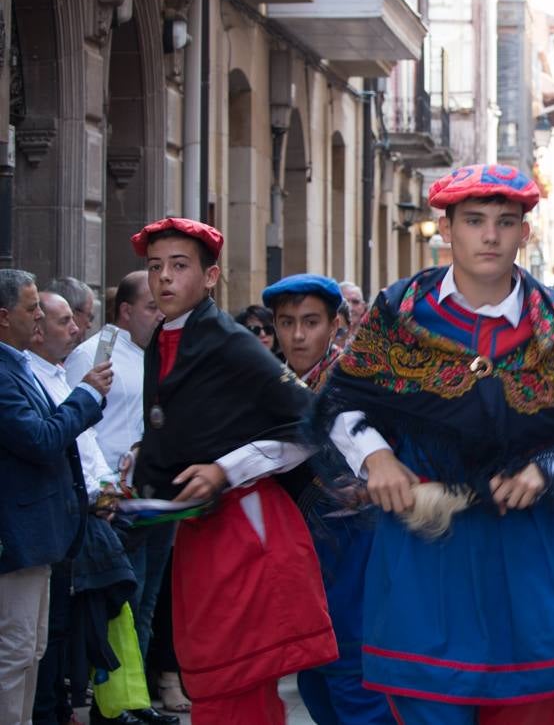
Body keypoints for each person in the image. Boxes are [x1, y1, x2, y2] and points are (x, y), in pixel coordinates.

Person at [313, 164, 554, 724]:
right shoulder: (399, 310)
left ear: (524, 232)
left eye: (504, 221)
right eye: (474, 221)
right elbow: (342, 401)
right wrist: (378, 457)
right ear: (446, 229)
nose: (490, 235)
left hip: (525, 546)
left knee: (526, 706)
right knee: (426, 705)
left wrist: (543, 469)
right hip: (426, 540)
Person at [131, 217, 336, 724]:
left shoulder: (230, 340)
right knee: (214, 680)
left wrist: (225, 469)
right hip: (203, 529)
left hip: (249, 528)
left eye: (179, 266)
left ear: (210, 277)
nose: (164, 279)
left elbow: (314, 424)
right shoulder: (163, 336)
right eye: (156, 267)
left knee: (236, 685)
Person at [261, 273, 393, 725]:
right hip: (295, 547)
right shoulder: (268, 386)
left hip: (356, 543)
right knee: (312, 674)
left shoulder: (360, 381)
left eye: (311, 321)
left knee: (352, 673)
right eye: (287, 322)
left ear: (335, 324)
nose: (298, 335)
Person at [64, 271, 181, 716]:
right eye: (151, 307)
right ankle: (110, 705)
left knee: (147, 603)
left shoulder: (157, 353)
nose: (159, 314)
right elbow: (78, 423)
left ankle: (135, 699)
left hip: (156, 494)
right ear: (126, 311)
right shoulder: (97, 353)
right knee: (122, 603)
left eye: (162, 306)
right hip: (117, 502)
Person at [26, 291, 143, 725]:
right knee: (39, 639)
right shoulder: (35, 373)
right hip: (55, 524)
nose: (77, 329)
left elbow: (86, 447)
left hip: (87, 515)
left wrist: (107, 494)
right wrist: (88, 394)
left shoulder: (55, 372)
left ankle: (68, 706)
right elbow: (52, 439)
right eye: (64, 321)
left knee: (61, 631)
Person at [0, 270, 112, 725]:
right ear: (4, 317)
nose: (40, 318)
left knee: (33, 648)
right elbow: (42, 439)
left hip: (40, 535)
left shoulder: (18, 365)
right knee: (15, 649)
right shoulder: (4, 373)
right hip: (17, 536)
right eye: (33, 309)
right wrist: (86, 394)